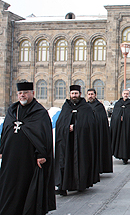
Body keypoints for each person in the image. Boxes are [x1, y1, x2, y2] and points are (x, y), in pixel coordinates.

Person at [0, 82, 56, 214]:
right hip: (11, 157)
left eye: (25, 93)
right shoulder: (13, 110)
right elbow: (6, 130)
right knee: (9, 184)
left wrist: (41, 154)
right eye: (20, 93)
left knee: (27, 185)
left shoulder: (39, 112)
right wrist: (2, 149)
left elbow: (43, 135)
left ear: (32, 93)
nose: (22, 95)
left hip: (29, 158)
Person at [55, 85, 97, 196]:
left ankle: (80, 184)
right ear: (69, 94)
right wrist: (66, 127)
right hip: (66, 142)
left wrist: (76, 127)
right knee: (63, 161)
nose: (74, 95)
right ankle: (62, 185)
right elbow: (59, 124)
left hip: (81, 141)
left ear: (80, 94)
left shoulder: (86, 107)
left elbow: (90, 124)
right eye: (72, 93)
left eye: (76, 93)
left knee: (80, 161)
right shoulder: (66, 107)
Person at [110, 89, 130, 164]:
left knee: (127, 140)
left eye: (127, 94)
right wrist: (118, 118)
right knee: (119, 140)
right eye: (124, 93)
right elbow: (114, 115)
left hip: (128, 127)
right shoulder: (118, 103)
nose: (126, 95)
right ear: (122, 94)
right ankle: (118, 154)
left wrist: (126, 117)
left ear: (129, 95)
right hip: (119, 127)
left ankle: (126, 156)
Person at [87, 88, 113, 174]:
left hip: (97, 132)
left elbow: (102, 119)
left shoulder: (99, 106)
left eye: (92, 94)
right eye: (89, 94)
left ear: (95, 95)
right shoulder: (85, 106)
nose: (90, 96)